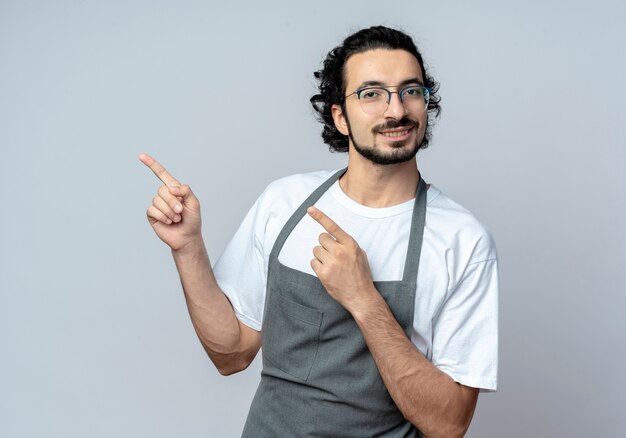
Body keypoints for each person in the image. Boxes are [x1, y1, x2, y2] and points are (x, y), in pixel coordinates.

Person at [140, 25, 498, 438]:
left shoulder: (462, 240)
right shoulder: (285, 201)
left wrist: (364, 300)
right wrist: (188, 249)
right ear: (339, 116)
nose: (396, 110)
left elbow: (448, 424)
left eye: (410, 91)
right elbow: (232, 353)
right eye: (372, 93)